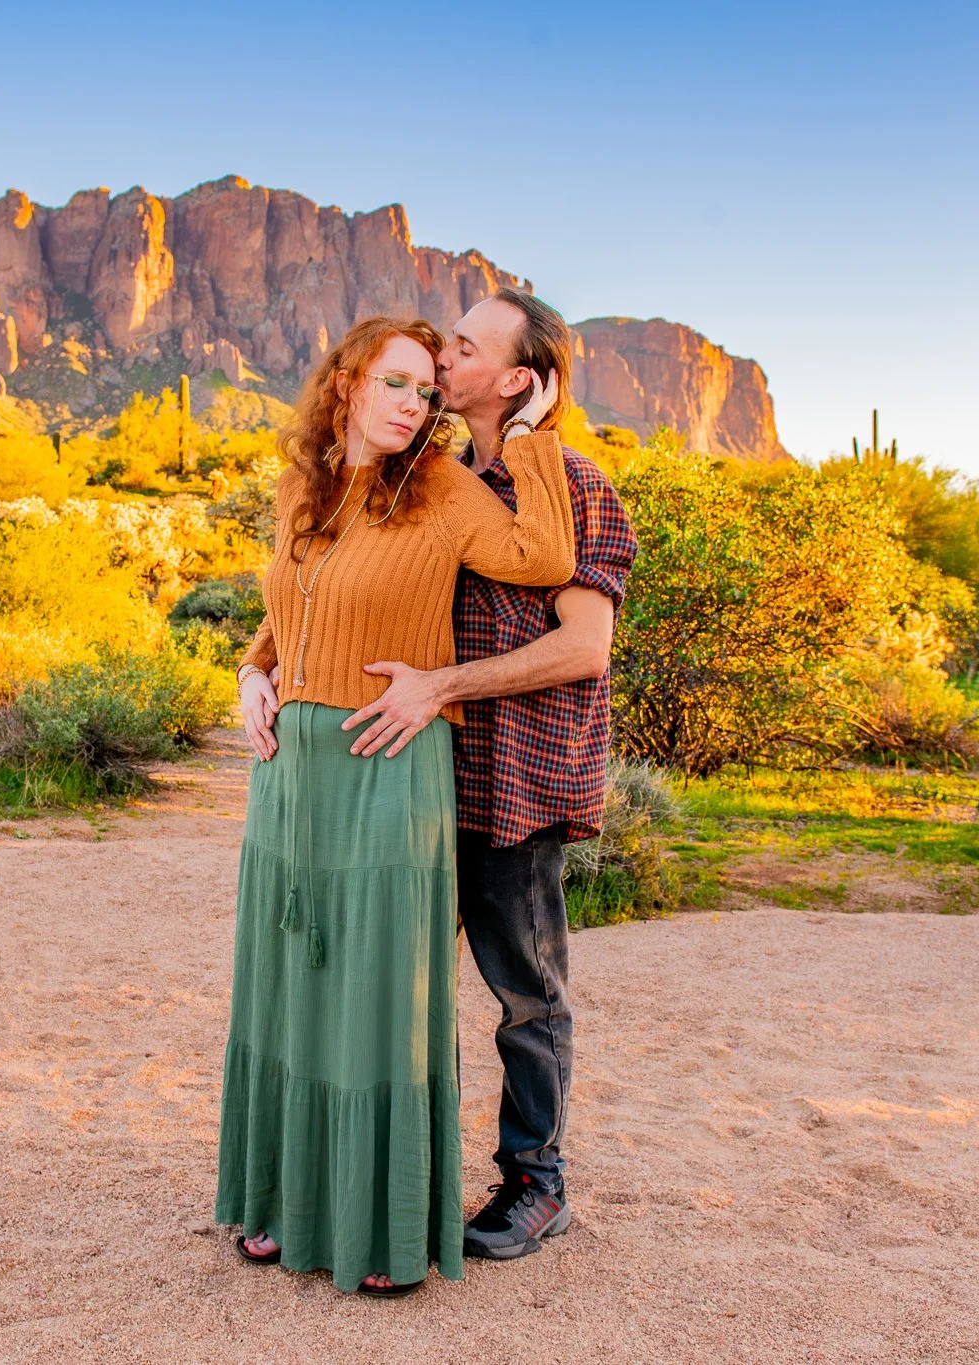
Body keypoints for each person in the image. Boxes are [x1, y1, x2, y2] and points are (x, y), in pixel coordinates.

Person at [214, 315, 574, 1296]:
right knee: (292, 985)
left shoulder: (444, 489)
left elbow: (541, 557)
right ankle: (285, 1202)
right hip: (291, 774)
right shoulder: (305, 486)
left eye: (426, 388)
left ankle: (378, 1225)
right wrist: (252, 671)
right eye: (397, 383)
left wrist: (535, 430)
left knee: (376, 996)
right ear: (346, 383)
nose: (415, 404)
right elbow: (294, 601)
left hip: (388, 763)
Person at [340, 289, 639, 1262]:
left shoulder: (577, 485)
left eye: (464, 347)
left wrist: (445, 685)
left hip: (515, 783)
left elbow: (582, 649)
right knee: (398, 991)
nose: (444, 356)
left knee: (523, 996)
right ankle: (395, 1178)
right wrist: (260, 668)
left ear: (515, 379)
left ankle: (534, 1186)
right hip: (415, 777)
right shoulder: (425, 480)